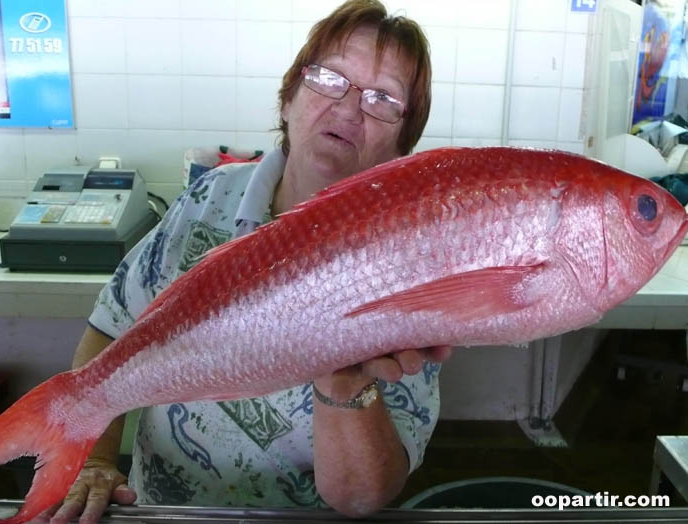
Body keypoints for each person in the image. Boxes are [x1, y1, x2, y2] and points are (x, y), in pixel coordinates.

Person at [38, 1, 450, 522]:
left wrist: (344, 386)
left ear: (401, 148)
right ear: (287, 99)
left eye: (383, 98)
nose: (349, 109)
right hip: (159, 513)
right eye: (330, 77)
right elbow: (111, 327)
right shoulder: (209, 198)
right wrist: (94, 460)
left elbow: (363, 497)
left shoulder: (413, 262)